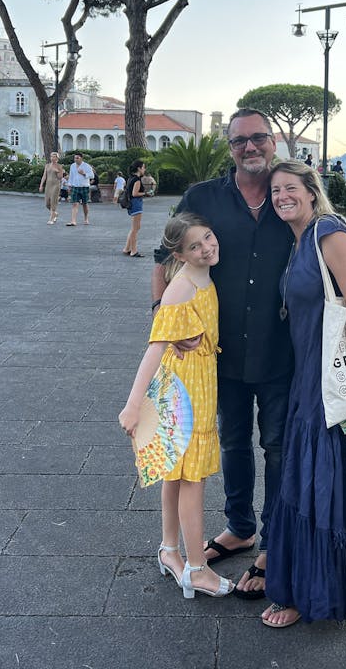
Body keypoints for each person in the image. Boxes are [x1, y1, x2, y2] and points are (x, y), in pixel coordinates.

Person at [151, 108, 293, 601]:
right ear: (228, 146)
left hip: (281, 354)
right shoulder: (203, 199)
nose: (250, 147)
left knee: (276, 448)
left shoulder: (289, 195)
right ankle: (240, 527)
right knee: (232, 443)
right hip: (219, 357)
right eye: (240, 141)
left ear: (273, 142)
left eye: (258, 138)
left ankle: (272, 545)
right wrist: (164, 316)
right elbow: (163, 258)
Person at [261, 160, 346, 628]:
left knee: (319, 483)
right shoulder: (297, 242)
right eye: (275, 191)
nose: (281, 197)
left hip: (333, 383)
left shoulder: (330, 233)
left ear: (312, 192)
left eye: (290, 188)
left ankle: (313, 591)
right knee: (312, 481)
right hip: (306, 380)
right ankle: (311, 585)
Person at [119, 213, 234, 600]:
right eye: (195, 247)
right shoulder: (182, 286)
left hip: (194, 380)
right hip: (185, 389)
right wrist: (133, 406)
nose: (206, 248)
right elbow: (156, 347)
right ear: (179, 254)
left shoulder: (201, 274)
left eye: (208, 238)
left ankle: (170, 551)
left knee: (175, 472)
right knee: (191, 480)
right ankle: (197, 569)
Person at [122, 160, 147, 256]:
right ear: (139, 168)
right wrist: (145, 193)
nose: (144, 169)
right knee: (135, 229)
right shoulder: (137, 180)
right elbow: (135, 193)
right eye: (143, 167)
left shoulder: (130, 178)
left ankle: (127, 248)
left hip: (132, 204)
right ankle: (134, 250)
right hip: (136, 204)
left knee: (135, 227)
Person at [65, 152, 95, 226]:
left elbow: (92, 176)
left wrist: (84, 173)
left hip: (84, 186)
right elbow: (71, 176)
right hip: (75, 186)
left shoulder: (86, 166)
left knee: (85, 203)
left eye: (77, 158)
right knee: (75, 203)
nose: (76, 159)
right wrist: (69, 185)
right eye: (75, 158)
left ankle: (86, 218)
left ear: (81, 158)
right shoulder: (72, 166)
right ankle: (73, 221)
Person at [38, 151, 65, 224]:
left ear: (57, 158)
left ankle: (51, 219)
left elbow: (60, 177)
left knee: (53, 201)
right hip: (48, 185)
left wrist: (57, 171)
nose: (52, 158)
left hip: (56, 185)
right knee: (47, 203)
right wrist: (41, 185)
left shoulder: (59, 166)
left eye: (54, 156)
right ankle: (55, 213)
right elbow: (44, 176)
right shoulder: (47, 165)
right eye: (51, 156)